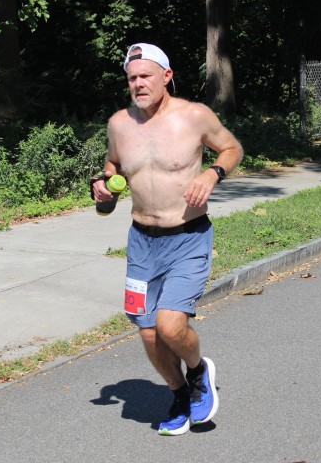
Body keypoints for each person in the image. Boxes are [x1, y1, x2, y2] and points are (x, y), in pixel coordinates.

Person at [94, 43, 243, 436]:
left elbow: (232, 148)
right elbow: (113, 164)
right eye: (132, 78)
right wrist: (104, 184)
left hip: (188, 237)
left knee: (171, 326)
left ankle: (198, 372)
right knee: (147, 331)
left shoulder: (194, 116)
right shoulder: (119, 124)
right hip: (142, 242)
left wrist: (212, 174)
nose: (138, 84)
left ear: (167, 76)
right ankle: (179, 394)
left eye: (145, 76)